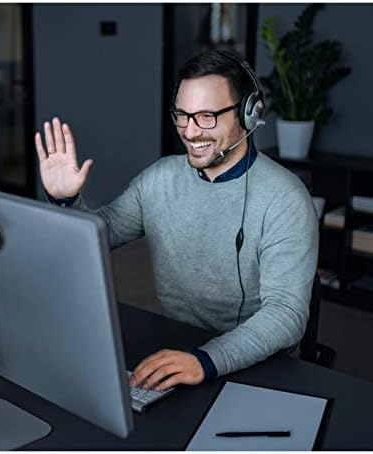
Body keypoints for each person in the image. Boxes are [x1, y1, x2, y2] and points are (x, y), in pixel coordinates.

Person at [34, 50, 318, 391]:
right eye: (182, 115)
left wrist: (206, 360)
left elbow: (286, 314)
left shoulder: (285, 198)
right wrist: (66, 200)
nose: (191, 132)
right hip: (178, 346)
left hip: (258, 361)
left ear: (248, 114)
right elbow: (99, 235)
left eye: (207, 116)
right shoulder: (159, 179)